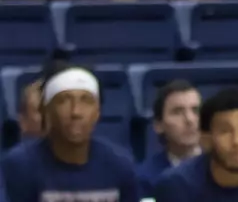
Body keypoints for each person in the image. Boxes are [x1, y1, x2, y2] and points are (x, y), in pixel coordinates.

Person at [0, 64, 140, 201]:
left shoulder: (120, 165)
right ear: (47, 111)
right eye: (63, 101)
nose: (76, 112)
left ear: (98, 112)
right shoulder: (20, 165)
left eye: (86, 101)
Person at [136, 82, 201, 196]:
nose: (190, 119)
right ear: (158, 125)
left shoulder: (225, 168)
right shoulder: (146, 179)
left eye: (195, 110)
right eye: (177, 112)